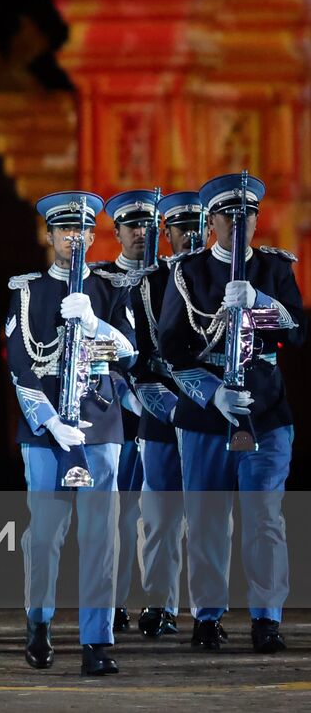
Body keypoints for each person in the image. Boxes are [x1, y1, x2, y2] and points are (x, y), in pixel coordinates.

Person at [158, 173, 304, 653]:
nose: (240, 224)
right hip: (208, 414)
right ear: (213, 220)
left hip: (265, 411)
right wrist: (213, 394)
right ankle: (208, 615)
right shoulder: (189, 274)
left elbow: (297, 333)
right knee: (207, 520)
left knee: (264, 518)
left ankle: (267, 618)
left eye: (249, 215)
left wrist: (261, 303)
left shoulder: (274, 270)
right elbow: (172, 351)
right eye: (229, 215)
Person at [6, 191, 136, 676]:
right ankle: (38, 621)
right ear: (50, 235)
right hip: (45, 429)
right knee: (44, 536)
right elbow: (20, 364)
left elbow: (129, 353)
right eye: (64, 230)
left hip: (99, 425)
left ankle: (96, 642)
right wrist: (49, 420)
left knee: (102, 537)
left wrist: (94, 318)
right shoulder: (27, 290)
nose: (73, 238)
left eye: (82, 230)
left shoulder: (108, 287)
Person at [132, 191, 204, 638]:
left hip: (207, 407)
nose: (190, 236)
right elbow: (138, 358)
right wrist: (165, 404)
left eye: (199, 226)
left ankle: (207, 612)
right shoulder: (149, 282)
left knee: (208, 515)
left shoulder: (218, 279)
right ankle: (160, 604)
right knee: (158, 515)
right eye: (182, 228)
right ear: (168, 233)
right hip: (160, 406)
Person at [89, 189, 160, 634]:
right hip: (119, 408)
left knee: (163, 516)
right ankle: (113, 603)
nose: (141, 233)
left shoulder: (175, 276)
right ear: (116, 232)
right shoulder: (101, 281)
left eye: (149, 225)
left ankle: (160, 606)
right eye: (132, 226)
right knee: (118, 513)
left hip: (167, 408)